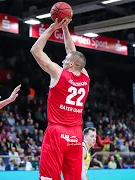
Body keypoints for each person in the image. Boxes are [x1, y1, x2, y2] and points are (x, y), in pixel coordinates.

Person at [31, 18, 90, 180]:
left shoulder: (59, 73)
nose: (63, 60)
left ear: (71, 65)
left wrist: (52, 28)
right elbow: (71, 51)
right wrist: (65, 29)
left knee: (49, 177)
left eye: (65, 60)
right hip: (76, 134)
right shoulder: (85, 77)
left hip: (57, 131)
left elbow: (36, 50)